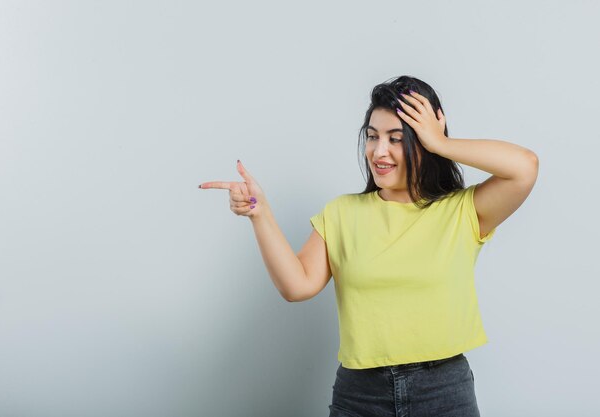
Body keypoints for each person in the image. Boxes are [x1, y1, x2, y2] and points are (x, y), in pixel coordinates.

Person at [199, 75, 539, 417]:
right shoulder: (343, 213)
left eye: (396, 139)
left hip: (443, 392)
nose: (379, 151)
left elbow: (524, 167)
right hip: (360, 395)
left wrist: (441, 143)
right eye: (373, 137)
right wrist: (261, 214)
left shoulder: (462, 210)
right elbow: (296, 285)